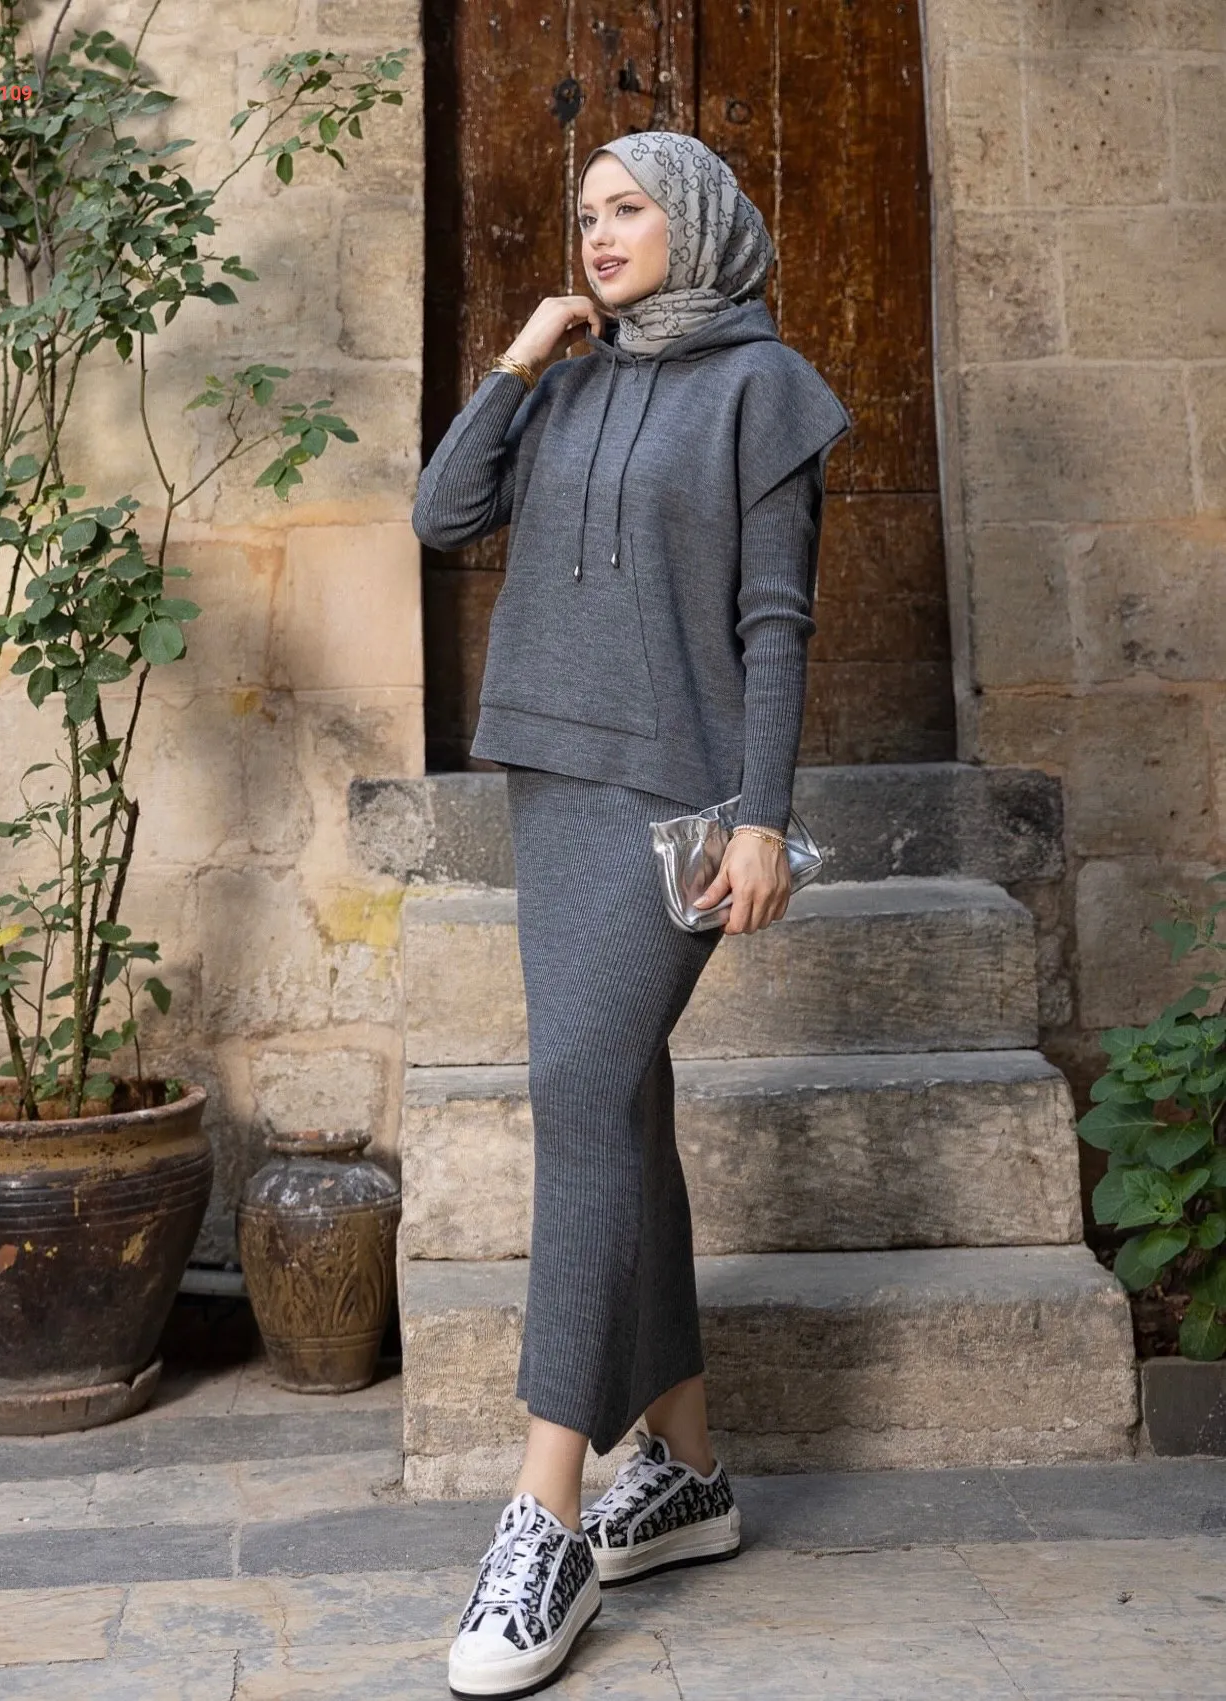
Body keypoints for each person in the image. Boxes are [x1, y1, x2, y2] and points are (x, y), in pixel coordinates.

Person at [412, 128, 852, 1700]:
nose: (598, 235)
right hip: (553, 777)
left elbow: (775, 617)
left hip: (678, 800)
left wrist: (763, 817)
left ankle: (546, 1515)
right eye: (585, 214)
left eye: (628, 209)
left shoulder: (767, 390)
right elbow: (442, 514)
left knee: (579, 1094)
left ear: (700, 222)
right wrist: (523, 356)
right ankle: (689, 1470)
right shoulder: (572, 378)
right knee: (620, 1100)